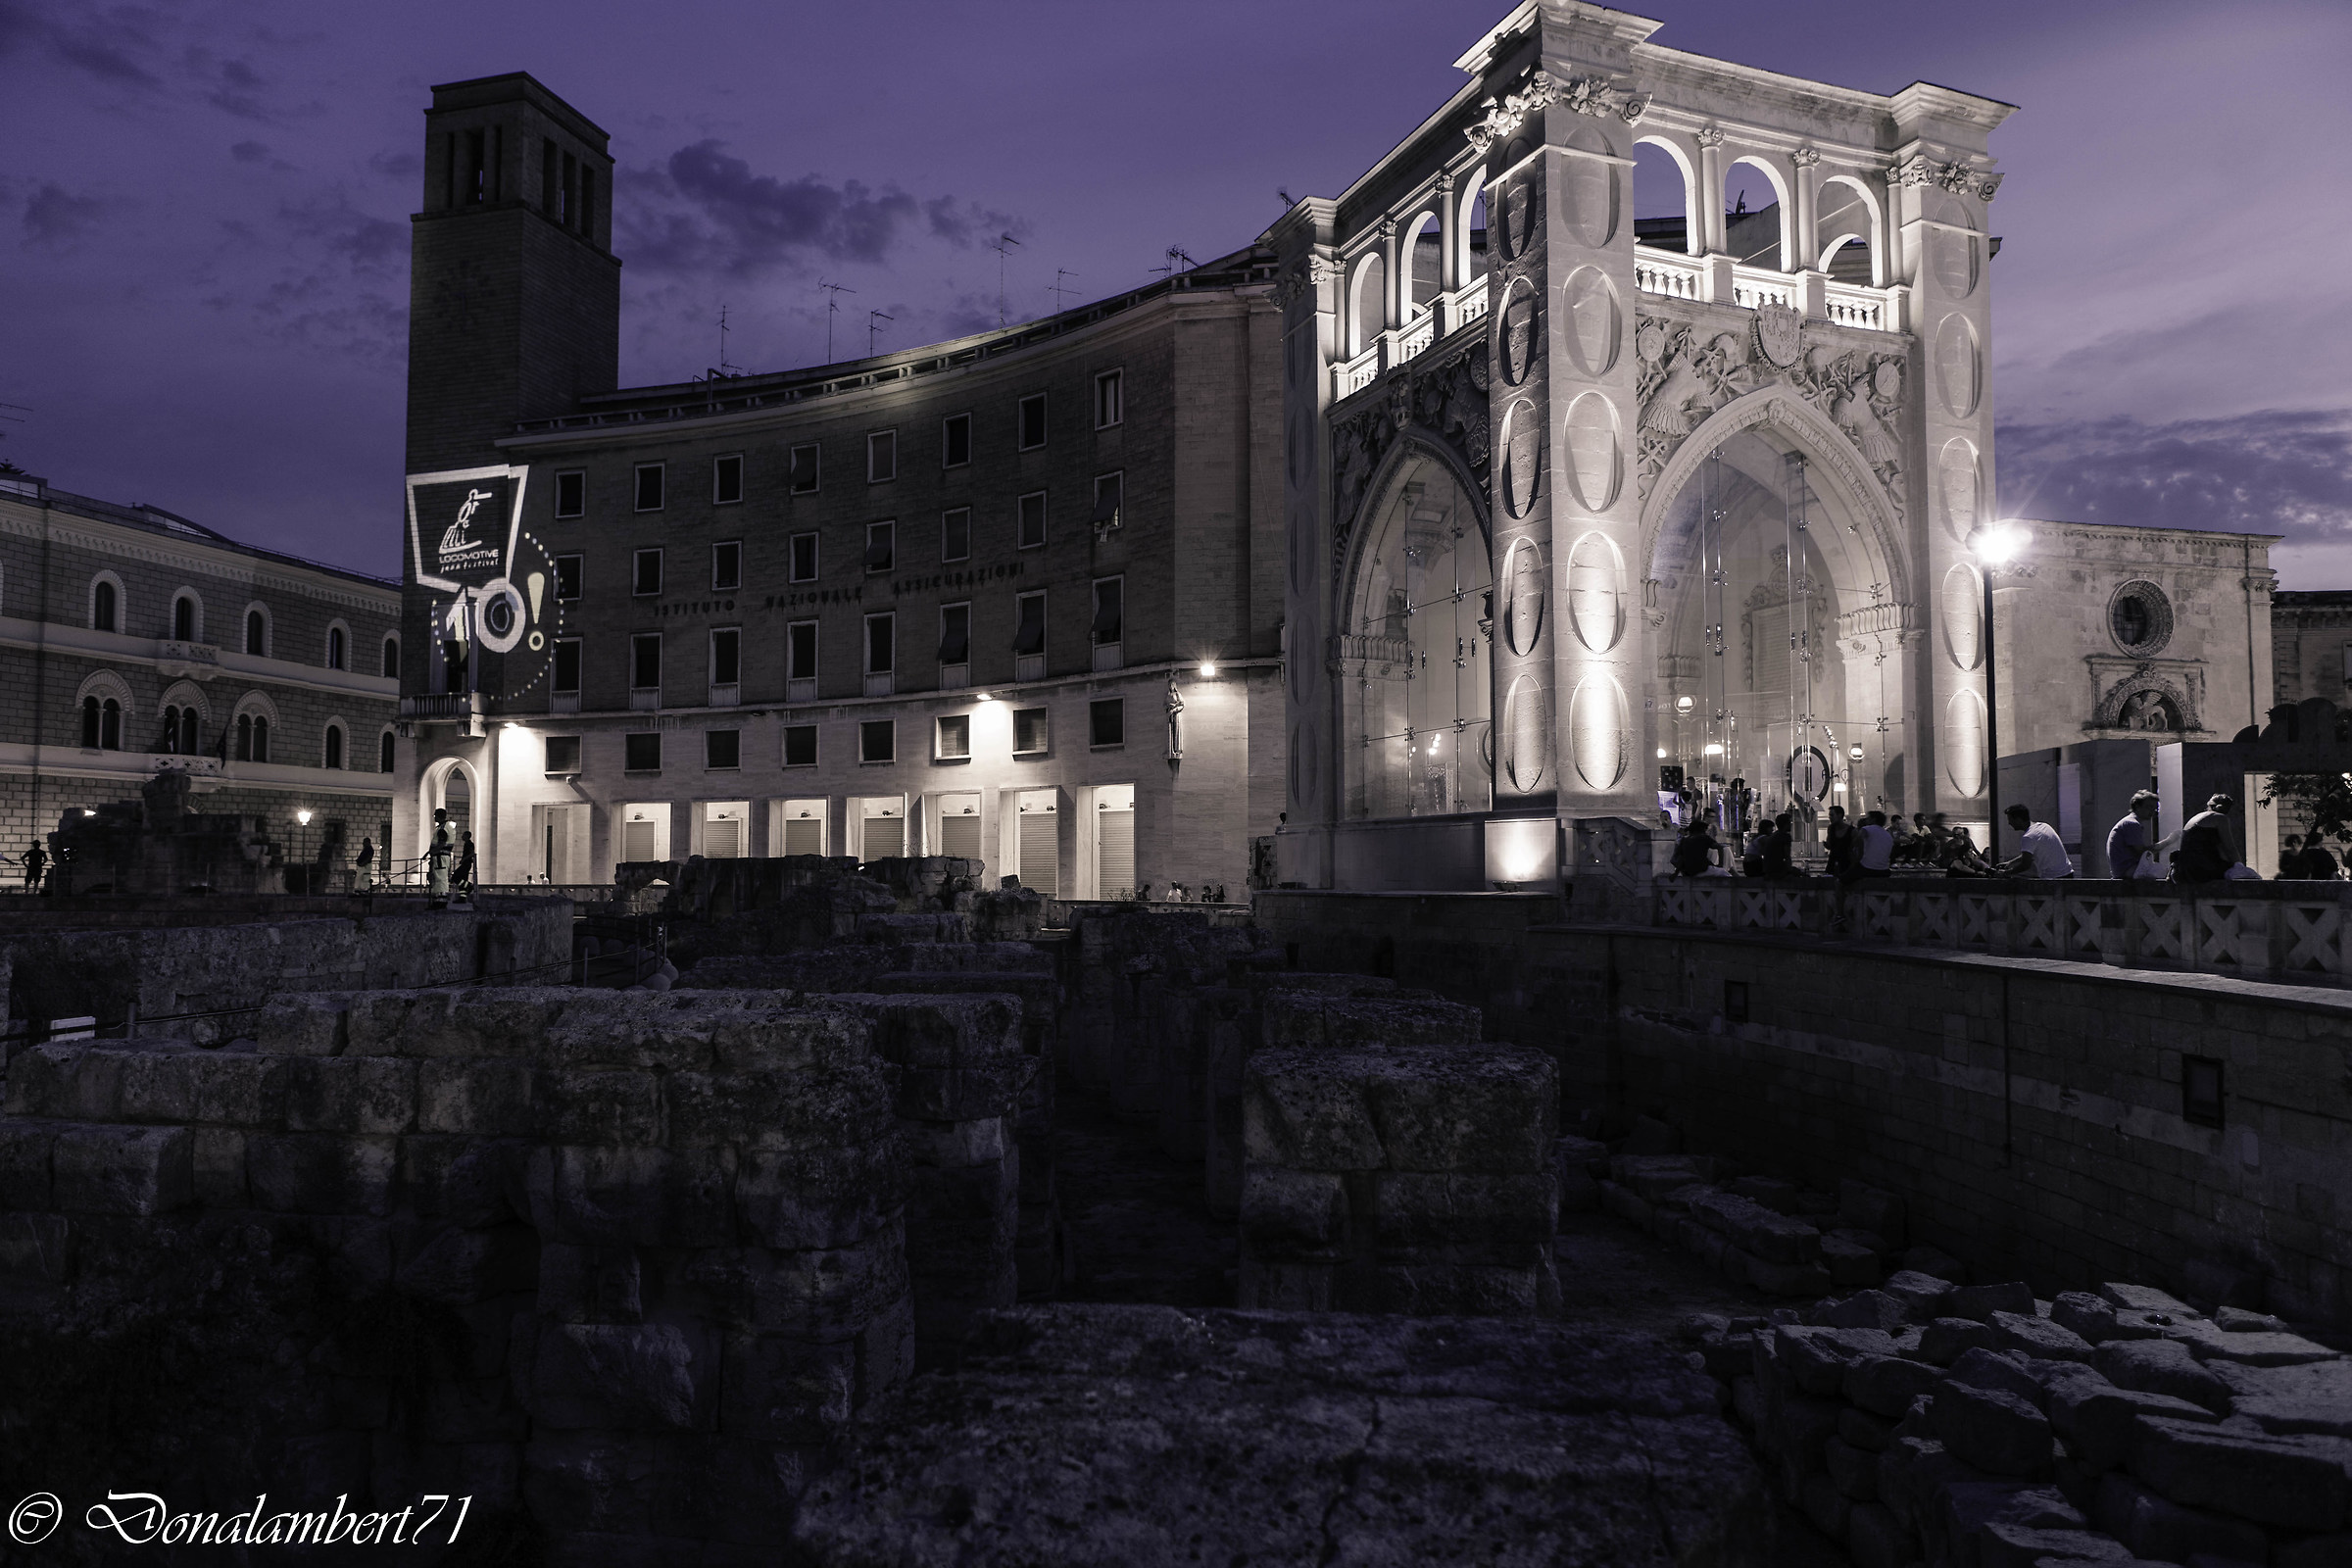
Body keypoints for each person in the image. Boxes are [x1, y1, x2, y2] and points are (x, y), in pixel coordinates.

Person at [2174, 795, 2238, 884]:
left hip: (2183, 868)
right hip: (2201, 867)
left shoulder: (2196, 817)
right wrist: (2239, 866)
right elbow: (2230, 847)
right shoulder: (2220, 818)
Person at [1997, 805, 2075, 879]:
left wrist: (2005, 873)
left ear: (2018, 819)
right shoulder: (2044, 826)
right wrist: (2010, 863)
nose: (2009, 823)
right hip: (2068, 873)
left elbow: (2025, 865)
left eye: (2010, 820)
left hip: (2054, 878)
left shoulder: (2028, 837)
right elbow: (2029, 854)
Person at [2104, 791, 2163, 879]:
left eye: (2155, 808)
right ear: (2137, 806)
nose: (2152, 812)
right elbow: (2142, 852)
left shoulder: (2128, 822)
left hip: (2122, 871)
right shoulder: (2132, 824)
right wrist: (2169, 841)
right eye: (2149, 807)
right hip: (2128, 870)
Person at [1841, 810, 1893, 884]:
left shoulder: (1867, 829)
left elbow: (1857, 841)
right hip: (1884, 870)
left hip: (1867, 868)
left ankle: (1840, 894)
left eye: (1868, 818)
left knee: (1840, 880)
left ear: (1873, 819)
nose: (1866, 820)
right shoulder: (1888, 835)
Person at [426, 808, 453, 903]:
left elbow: (441, 843)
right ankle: (439, 899)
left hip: (440, 857)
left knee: (440, 878)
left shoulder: (442, 829)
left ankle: (440, 901)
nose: (434, 817)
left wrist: (431, 852)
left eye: (435, 815)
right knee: (440, 877)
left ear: (438, 816)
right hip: (443, 857)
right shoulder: (447, 827)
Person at [1823, 805, 1854, 878]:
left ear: (1840, 815)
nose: (1829, 817)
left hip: (1845, 863)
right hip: (1833, 862)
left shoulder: (1851, 831)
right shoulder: (1831, 828)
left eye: (1832, 815)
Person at [1762, 811, 1795, 880]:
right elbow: (1787, 855)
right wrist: (1790, 870)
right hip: (1777, 870)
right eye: (1790, 822)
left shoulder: (1773, 836)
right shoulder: (1785, 836)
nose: (1791, 824)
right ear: (1786, 824)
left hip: (1768, 870)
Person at [453, 832, 477, 901]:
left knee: (455, 877)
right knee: (463, 880)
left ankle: (469, 885)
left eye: (463, 835)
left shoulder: (469, 844)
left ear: (467, 836)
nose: (462, 836)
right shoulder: (467, 844)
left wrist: (463, 859)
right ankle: (462, 898)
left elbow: (472, 853)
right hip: (466, 863)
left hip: (466, 864)